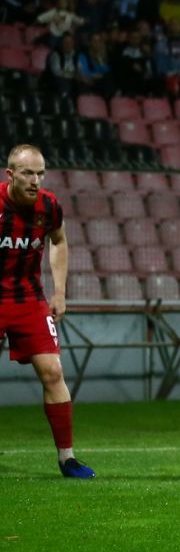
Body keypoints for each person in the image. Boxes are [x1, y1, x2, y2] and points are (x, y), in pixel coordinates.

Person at [0, 145, 90, 478]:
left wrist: (60, 292)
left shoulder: (49, 206)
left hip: (29, 298)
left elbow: (59, 241)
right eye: (28, 173)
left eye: (40, 173)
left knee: (53, 372)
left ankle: (67, 459)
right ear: (10, 174)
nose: (35, 180)